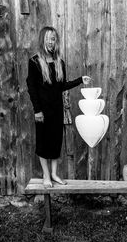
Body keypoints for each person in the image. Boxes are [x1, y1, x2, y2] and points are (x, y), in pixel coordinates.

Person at [27, 26, 91, 187]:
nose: (51, 41)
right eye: (48, 38)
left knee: (56, 141)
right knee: (43, 143)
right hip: (42, 111)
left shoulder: (59, 62)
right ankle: (46, 176)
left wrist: (80, 80)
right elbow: (32, 88)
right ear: (43, 40)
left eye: (53, 38)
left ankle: (54, 174)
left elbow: (61, 86)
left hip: (57, 110)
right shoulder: (34, 62)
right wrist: (37, 110)